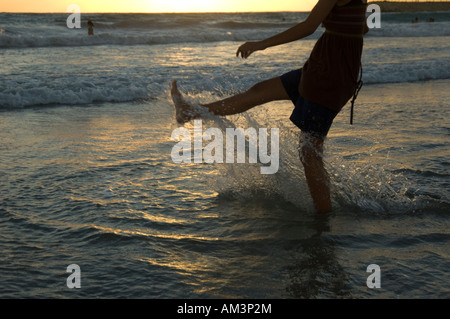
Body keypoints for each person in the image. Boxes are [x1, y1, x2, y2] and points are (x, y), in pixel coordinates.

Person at [171, 0, 368, 213]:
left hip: (328, 76)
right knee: (259, 92)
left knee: (310, 151)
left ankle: (323, 218)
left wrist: (260, 44)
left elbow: (308, 27)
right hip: (324, 69)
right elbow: (363, 27)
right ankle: (190, 111)